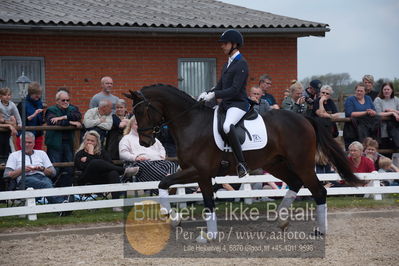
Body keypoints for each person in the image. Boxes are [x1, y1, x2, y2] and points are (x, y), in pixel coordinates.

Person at [198, 29, 250, 178]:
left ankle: (242, 164)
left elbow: (234, 89)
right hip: (226, 104)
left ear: (234, 44)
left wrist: (215, 94)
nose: (222, 46)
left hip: (238, 104)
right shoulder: (227, 64)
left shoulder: (241, 63)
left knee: (227, 126)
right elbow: (220, 86)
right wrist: (208, 92)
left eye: (225, 43)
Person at [74, 130, 138, 211]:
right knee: (94, 162)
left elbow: (110, 165)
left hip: (102, 178)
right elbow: (81, 167)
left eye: (92, 141)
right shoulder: (79, 154)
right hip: (87, 178)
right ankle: (123, 171)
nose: (89, 142)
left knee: (113, 172)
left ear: (97, 142)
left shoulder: (102, 152)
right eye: (88, 140)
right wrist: (90, 153)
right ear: (84, 140)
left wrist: (89, 159)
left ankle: (116, 204)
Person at [119, 116, 179, 194]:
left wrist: (162, 155)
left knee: (170, 164)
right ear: (131, 125)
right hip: (137, 163)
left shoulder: (150, 137)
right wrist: (135, 157)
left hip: (157, 161)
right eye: (137, 124)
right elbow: (123, 154)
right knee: (146, 164)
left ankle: (166, 188)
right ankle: (169, 183)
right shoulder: (126, 138)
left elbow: (161, 148)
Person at [3, 131, 64, 204]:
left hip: (42, 177)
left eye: (29, 142)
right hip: (24, 179)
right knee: (46, 184)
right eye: (24, 142)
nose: (27, 145)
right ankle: (61, 203)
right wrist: (22, 170)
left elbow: (53, 173)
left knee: (46, 183)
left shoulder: (41, 153)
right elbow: (6, 175)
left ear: (34, 143)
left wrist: (42, 169)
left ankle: (60, 207)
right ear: (20, 143)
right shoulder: (14, 155)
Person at [45, 90, 82, 187]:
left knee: (69, 167)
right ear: (57, 101)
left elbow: (78, 116)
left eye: (67, 100)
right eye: (63, 100)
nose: (66, 102)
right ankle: (53, 189)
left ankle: (67, 190)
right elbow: (53, 122)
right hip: (55, 144)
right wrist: (70, 122)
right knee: (55, 167)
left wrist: (62, 117)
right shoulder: (51, 110)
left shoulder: (72, 108)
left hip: (69, 143)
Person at [343, 82, 380, 147]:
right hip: (353, 129)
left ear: (365, 92)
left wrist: (373, 112)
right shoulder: (350, 99)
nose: (359, 92)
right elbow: (350, 113)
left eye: (361, 91)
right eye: (358, 91)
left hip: (368, 127)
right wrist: (366, 112)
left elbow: (374, 110)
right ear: (355, 91)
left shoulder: (368, 98)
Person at [16, 81, 45, 150]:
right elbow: (20, 121)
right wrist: (33, 115)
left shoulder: (40, 104)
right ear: (30, 93)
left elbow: (41, 119)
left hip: (37, 135)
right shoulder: (22, 104)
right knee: (23, 157)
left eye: (39, 94)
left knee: (37, 156)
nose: (38, 96)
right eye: (35, 94)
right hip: (24, 135)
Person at [373, 82, 399, 148]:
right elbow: (378, 113)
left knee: (392, 152)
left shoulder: (396, 99)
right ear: (382, 90)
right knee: (383, 152)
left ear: (392, 90)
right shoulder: (378, 100)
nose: (386, 91)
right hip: (382, 131)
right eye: (385, 89)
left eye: (388, 89)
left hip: (395, 131)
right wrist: (392, 113)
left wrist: (393, 110)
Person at [0, 87, 21, 161]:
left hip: (8, 122)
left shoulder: (12, 105)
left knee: (7, 141)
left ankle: (6, 157)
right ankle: (3, 158)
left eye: (9, 95)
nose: (7, 96)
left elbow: (17, 114)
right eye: (5, 95)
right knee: (2, 141)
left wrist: (19, 124)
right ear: (1, 96)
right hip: (2, 123)